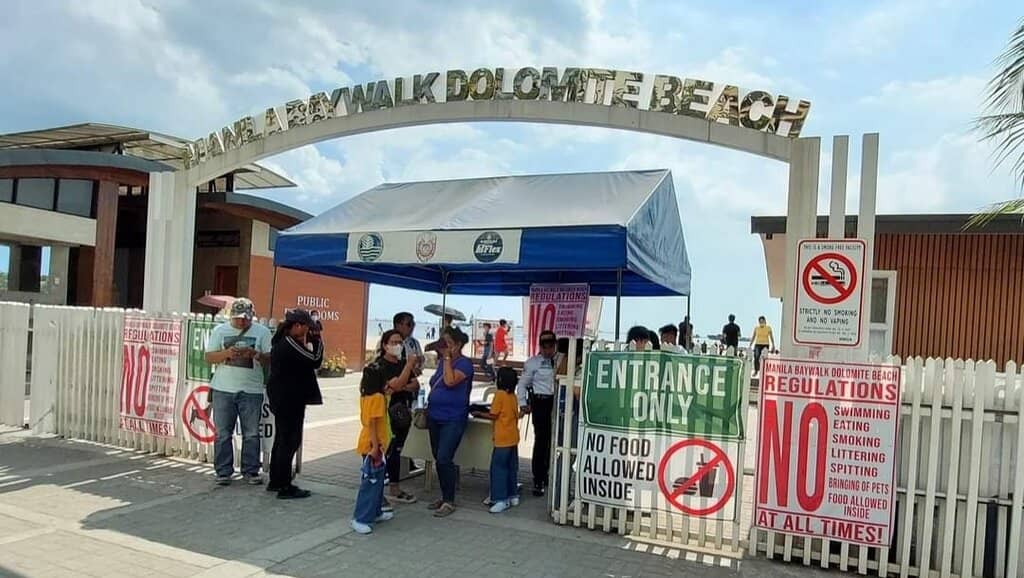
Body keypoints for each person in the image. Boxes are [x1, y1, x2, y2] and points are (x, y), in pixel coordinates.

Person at [204, 298, 272, 486]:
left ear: (252, 316)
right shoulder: (220, 331)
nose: (242, 322)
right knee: (222, 433)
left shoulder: (262, 332)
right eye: (238, 318)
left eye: (245, 318)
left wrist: (255, 355)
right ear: (231, 316)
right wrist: (226, 354)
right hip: (223, 389)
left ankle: (250, 470)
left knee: (251, 433)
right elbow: (209, 357)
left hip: (251, 390)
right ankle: (223, 471)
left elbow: (270, 358)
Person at [266, 309, 324, 499]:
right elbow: (315, 360)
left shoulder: (284, 342)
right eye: (307, 327)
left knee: (282, 439)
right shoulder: (290, 342)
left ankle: (276, 480)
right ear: (297, 326)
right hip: (288, 398)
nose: (308, 331)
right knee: (290, 441)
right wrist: (318, 341)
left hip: (286, 397)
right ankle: (284, 485)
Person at [426, 326, 473, 517]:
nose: (444, 347)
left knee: (445, 457)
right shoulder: (441, 363)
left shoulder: (465, 364)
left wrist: (446, 358)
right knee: (439, 457)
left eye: (448, 344)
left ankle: (449, 500)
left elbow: (451, 381)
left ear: (458, 344)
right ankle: (445, 495)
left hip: (453, 418)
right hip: (434, 416)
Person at [370, 329, 419, 504]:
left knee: (397, 450)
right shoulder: (379, 366)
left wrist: (401, 386)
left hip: (402, 412)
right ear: (384, 345)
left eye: (400, 342)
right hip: (384, 414)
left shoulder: (401, 364)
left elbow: (414, 385)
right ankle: (378, 492)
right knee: (384, 451)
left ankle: (394, 487)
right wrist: (402, 379)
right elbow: (393, 385)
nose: (398, 346)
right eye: (394, 342)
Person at [517, 330, 563, 497]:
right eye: (545, 347)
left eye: (551, 346)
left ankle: (550, 474)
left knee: (556, 440)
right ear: (540, 346)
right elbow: (522, 385)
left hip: (557, 402)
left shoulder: (561, 360)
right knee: (541, 440)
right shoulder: (533, 363)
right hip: (540, 401)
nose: (548, 350)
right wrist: (522, 403)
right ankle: (538, 478)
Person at [351, 363, 394, 535]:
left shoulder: (367, 396)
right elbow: (374, 424)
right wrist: (376, 447)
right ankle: (360, 517)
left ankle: (375, 511)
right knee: (371, 483)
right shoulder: (377, 398)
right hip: (373, 446)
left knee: (377, 482)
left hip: (370, 443)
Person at [472, 369, 520, 513]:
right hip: (513, 437)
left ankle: (500, 499)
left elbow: (493, 415)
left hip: (502, 439)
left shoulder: (499, 395)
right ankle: (512, 495)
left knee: (498, 468)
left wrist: (479, 412)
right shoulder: (513, 396)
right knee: (511, 468)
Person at [393, 312, 423, 376]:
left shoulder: (415, 343)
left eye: (413, 324)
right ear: (398, 325)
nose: (412, 327)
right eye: (409, 324)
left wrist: (418, 365)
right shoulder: (387, 341)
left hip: (410, 381)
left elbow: (420, 361)